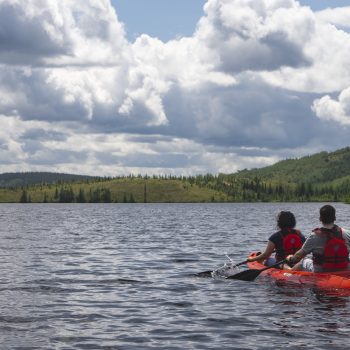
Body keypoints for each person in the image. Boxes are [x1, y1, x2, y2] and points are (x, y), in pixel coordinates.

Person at [287, 205, 350, 272]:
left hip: (321, 270)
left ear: (320, 219)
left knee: (303, 262)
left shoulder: (314, 236)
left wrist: (290, 258)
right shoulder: (346, 233)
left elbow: (299, 256)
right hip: (344, 268)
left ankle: (288, 273)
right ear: (334, 218)